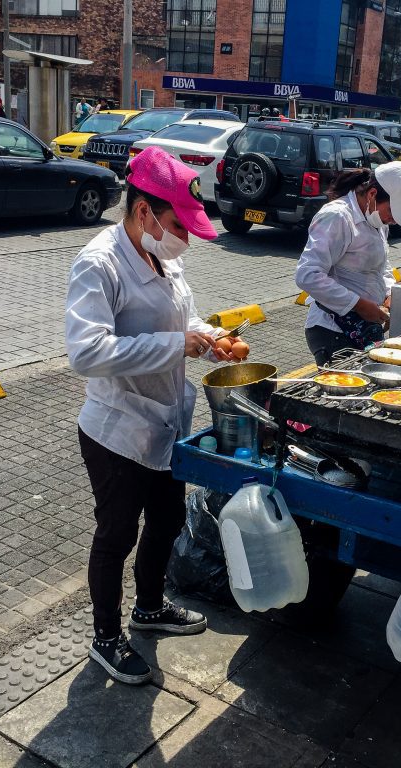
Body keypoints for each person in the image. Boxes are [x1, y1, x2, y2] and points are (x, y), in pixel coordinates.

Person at [65, 146, 242, 685]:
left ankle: (149, 608)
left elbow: (181, 319)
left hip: (165, 425)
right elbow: (86, 351)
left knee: (165, 521)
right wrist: (176, 344)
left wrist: (210, 338)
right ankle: (105, 637)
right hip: (117, 431)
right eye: (177, 224)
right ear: (143, 211)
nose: (185, 237)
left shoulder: (159, 254)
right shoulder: (99, 263)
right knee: (115, 535)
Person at [294, 162, 401, 367]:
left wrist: (389, 293)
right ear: (372, 194)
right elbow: (307, 275)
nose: (394, 220)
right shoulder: (337, 216)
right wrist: (358, 305)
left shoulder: (379, 222)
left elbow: (382, 266)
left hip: (366, 327)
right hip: (333, 330)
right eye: (391, 211)